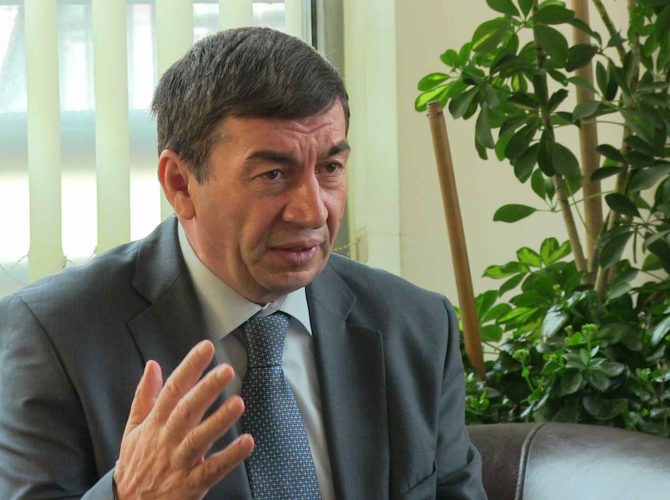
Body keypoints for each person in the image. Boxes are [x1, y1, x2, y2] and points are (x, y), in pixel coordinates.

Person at [0, 27, 485, 499]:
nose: (313, 212)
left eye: (330, 168)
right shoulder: (56, 336)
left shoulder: (415, 325)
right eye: (273, 174)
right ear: (180, 185)